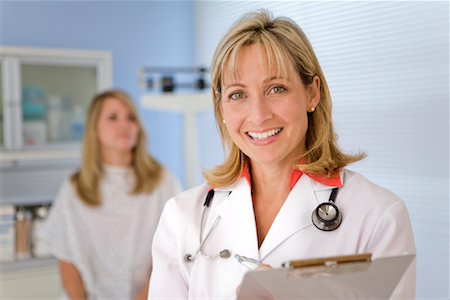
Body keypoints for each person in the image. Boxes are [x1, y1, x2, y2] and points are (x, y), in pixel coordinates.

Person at [148, 10, 416, 299]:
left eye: (276, 89)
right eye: (238, 94)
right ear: (222, 108)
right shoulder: (183, 217)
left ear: (312, 93)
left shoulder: (377, 215)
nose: (259, 115)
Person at [39, 89, 181, 300]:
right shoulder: (76, 187)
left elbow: (172, 254)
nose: (124, 125)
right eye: (112, 118)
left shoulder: (162, 181)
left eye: (131, 117)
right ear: (94, 128)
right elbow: (65, 257)